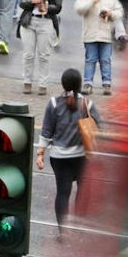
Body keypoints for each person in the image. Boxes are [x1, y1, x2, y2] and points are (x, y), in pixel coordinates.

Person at [38, 68, 103, 229]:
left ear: (63, 84)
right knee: (83, 192)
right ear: (80, 84)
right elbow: (98, 127)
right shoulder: (87, 104)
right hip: (82, 157)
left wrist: (40, 154)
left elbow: (46, 132)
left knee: (62, 193)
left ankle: (63, 231)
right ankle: (78, 226)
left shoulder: (53, 104)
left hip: (59, 158)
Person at [19, 0, 68, 95]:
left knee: (44, 55)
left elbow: (58, 7)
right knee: (28, 54)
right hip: (29, 21)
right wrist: (32, 1)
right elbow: (22, 2)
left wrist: (47, 6)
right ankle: (27, 82)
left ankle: (43, 84)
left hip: (45, 21)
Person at [72, 0, 122, 95]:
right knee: (90, 59)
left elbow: (119, 12)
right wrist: (91, 2)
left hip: (106, 35)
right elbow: (79, 9)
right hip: (91, 34)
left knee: (106, 60)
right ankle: (88, 83)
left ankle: (107, 84)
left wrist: (111, 14)